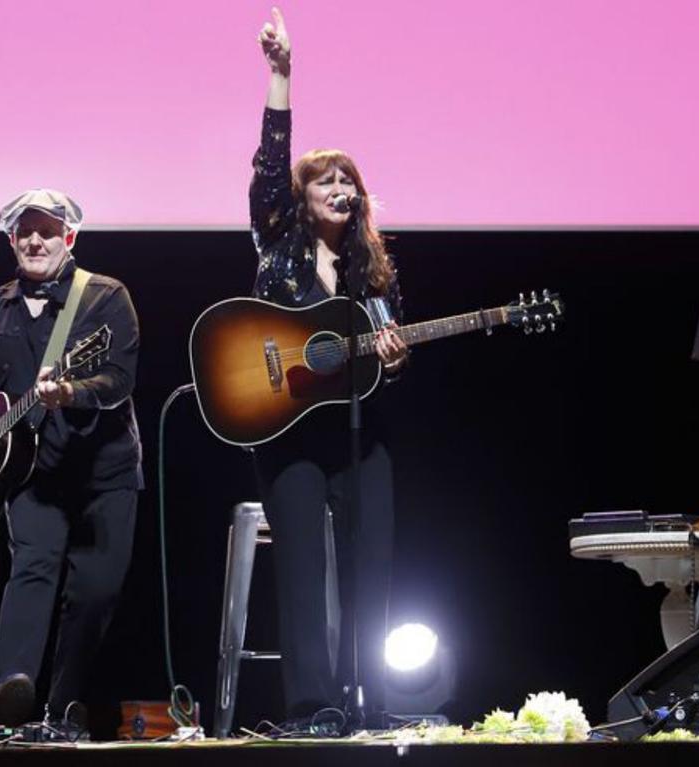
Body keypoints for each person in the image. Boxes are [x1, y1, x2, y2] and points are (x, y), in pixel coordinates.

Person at [250, 7, 409, 730]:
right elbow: (268, 168)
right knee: (302, 568)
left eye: (348, 180)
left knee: (371, 560)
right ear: (303, 198)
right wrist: (282, 75)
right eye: (326, 180)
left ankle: (366, 697)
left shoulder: (372, 272)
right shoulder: (279, 244)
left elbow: (389, 361)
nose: (340, 187)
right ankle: (311, 704)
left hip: (357, 430)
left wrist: (394, 361)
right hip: (286, 426)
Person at [0, 188, 142, 728]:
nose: (34, 241)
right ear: (11, 240)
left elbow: (118, 380)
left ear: (68, 237)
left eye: (46, 231)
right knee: (32, 567)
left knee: (95, 591)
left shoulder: (104, 297)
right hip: (30, 473)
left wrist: (69, 392)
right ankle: (13, 686)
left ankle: (62, 706)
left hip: (105, 470)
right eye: (24, 231)